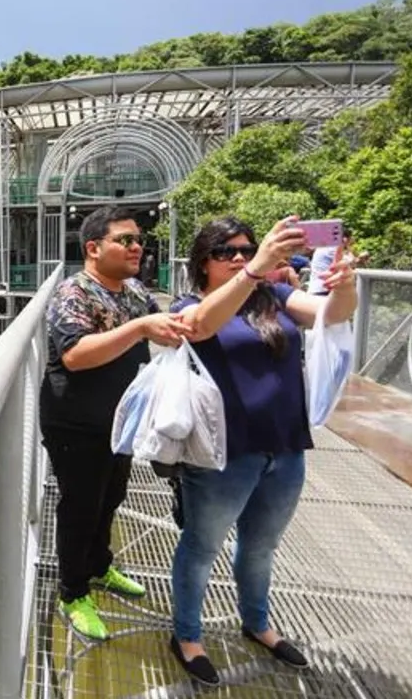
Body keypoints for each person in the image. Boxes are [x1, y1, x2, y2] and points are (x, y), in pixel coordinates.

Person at [167, 216, 358, 685]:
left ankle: (257, 623)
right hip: (223, 453)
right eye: (225, 252)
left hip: (286, 447)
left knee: (261, 547)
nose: (236, 257)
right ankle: (187, 635)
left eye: (245, 248)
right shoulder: (191, 303)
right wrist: (254, 267)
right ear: (202, 263)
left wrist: (347, 284)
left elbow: (332, 314)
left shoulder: (274, 297)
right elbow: (200, 326)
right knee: (202, 546)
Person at [40, 205, 192, 641]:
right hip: (76, 423)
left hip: (121, 419)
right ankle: (72, 591)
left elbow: (168, 323)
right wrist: (142, 327)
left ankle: (100, 566)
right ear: (93, 248)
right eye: (124, 240)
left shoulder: (132, 290)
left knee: (112, 496)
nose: (137, 247)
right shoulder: (75, 292)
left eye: (138, 239)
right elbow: (75, 354)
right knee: (80, 507)